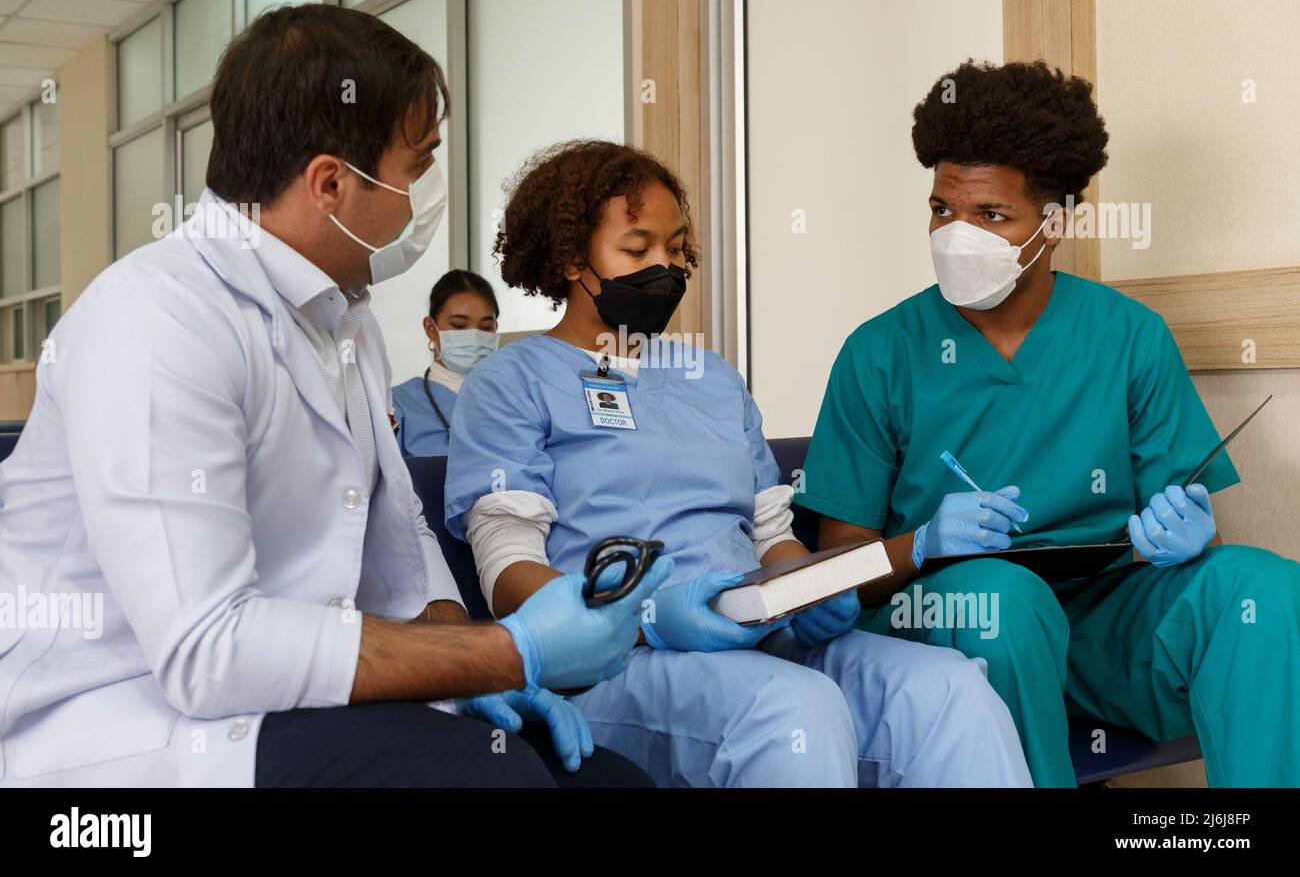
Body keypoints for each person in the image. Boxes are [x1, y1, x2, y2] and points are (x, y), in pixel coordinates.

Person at [0, 4, 670, 789]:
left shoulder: (340, 317)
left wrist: (473, 670)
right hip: (133, 724)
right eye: (417, 167)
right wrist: (505, 649)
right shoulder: (158, 321)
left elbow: (401, 531)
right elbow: (207, 651)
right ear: (329, 184)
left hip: (294, 697)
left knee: (608, 783)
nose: (426, 195)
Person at [443, 139, 1032, 788]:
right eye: (638, 250)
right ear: (568, 257)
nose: (664, 268)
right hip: (613, 666)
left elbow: (773, 543)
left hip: (759, 639)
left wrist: (809, 592)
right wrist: (645, 616)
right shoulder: (509, 383)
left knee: (948, 689)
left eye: (675, 248)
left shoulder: (712, 379)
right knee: (791, 709)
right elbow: (507, 577)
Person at [797, 59, 1300, 787]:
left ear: (1056, 223)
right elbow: (836, 572)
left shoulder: (1129, 336)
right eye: (943, 209)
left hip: (1100, 623)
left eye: (990, 216)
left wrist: (1181, 534)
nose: (954, 234)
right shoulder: (879, 352)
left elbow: (1197, 536)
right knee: (1004, 600)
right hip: (955, 618)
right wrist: (926, 543)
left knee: (1262, 590)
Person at [392, 270, 500, 456]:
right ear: (430, 329)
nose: (473, 336)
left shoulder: (515, 397)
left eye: (485, 327)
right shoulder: (398, 404)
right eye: (458, 326)